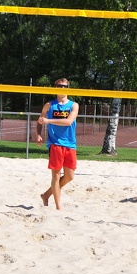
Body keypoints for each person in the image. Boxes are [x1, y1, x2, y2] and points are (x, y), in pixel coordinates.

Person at [36, 78, 79, 210]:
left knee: (69, 176)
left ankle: (46, 195)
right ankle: (58, 207)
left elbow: (68, 122)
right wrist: (38, 134)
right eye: (59, 86)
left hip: (70, 144)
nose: (62, 88)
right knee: (56, 175)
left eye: (65, 86)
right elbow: (40, 120)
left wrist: (48, 121)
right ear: (55, 87)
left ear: (68, 88)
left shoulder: (73, 105)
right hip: (55, 143)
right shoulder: (49, 105)